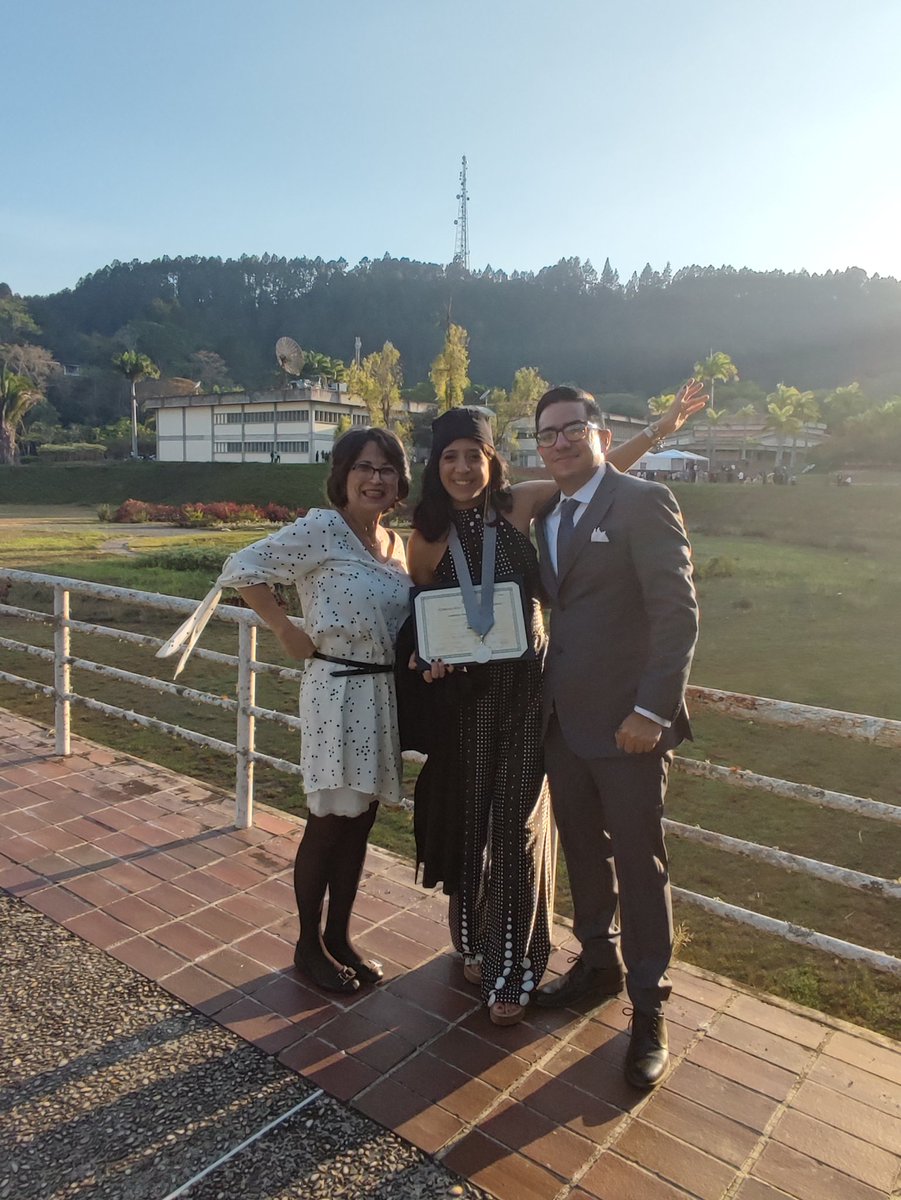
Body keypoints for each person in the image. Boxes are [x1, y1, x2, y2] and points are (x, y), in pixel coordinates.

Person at [405, 383, 705, 1027]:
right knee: (475, 830)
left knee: (516, 830)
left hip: (533, 694)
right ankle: (482, 943)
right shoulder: (425, 537)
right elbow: (423, 615)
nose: (462, 468)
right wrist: (425, 654)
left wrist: (657, 430)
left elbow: (595, 476)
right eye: (450, 456)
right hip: (472, 703)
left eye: (474, 455)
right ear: (435, 465)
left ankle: (523, 964)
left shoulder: (523, 504)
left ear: (493, 461)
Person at [158, 427, 412, 994]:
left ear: (400, 479)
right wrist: (283, 627)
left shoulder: (396, 545)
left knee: (360, 823)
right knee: (328, 822)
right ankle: (307, 946)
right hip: (336, 689)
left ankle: (340, 937)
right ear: (342, 476)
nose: (376, 479)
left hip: (380, 696)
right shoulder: (323, 529)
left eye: (387, 468)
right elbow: (240, 567)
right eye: (364, 467)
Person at [530, 385, 699, 1091]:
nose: (560, 442)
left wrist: (653, 712)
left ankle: (649, 1007)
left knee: (639, 866)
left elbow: (677, 612)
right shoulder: (544, 513)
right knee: (584, 857)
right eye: (547, 434)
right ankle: (596, 965)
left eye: (573, 429)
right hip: (563, 725)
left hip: (629, 729)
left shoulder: (639, 501)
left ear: (600, 433)